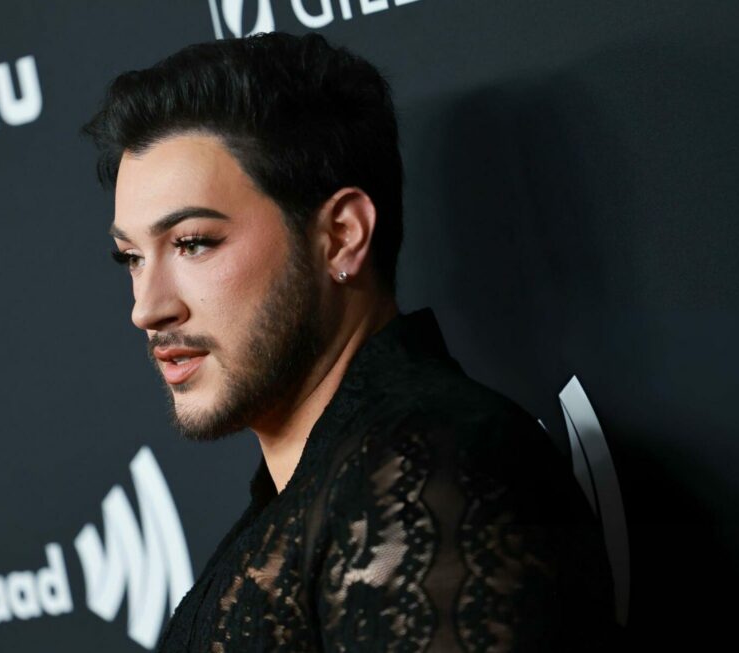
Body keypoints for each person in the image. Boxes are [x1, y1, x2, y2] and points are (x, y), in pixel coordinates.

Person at [83, 32, 617, 652]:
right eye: (130, 257)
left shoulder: (426, 472)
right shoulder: (297, 505)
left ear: (340, 237)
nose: (147, 308)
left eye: (193, 242)